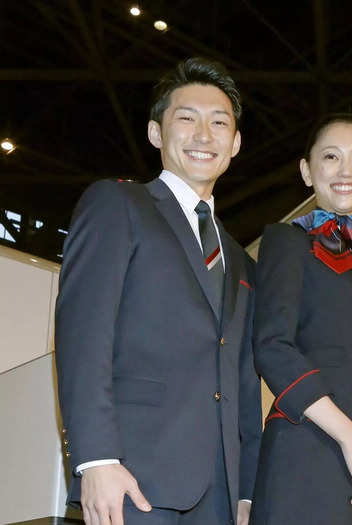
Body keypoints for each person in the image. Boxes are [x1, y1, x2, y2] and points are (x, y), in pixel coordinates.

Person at [55, 57, 262, 525]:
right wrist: (96, 460)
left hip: (220, 493)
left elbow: (244, 381)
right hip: (132, 477)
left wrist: (247, 489)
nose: (203, 135)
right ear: (155, 133)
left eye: (219, 123)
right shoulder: (118, 204)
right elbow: (83, 338)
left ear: (235, 143)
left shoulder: (240, 257)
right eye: (186, 119)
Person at [249, 114, 352, 525]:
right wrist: (350, 439)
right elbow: (273, 347)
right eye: (331, 157)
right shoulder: (287, 242)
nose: (346, 171)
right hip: (311, 446)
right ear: (307, 171)